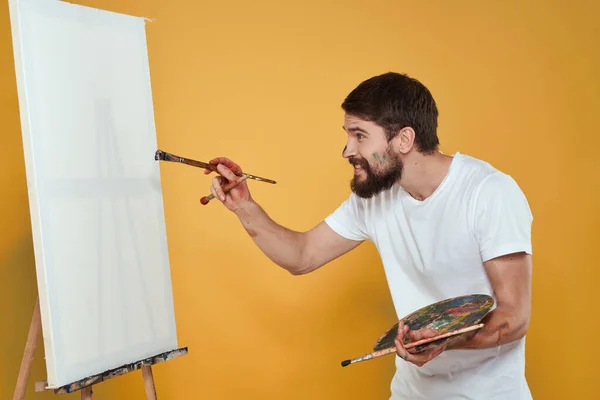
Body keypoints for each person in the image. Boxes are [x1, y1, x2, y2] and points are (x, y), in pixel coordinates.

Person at [204, 72, 533, 399]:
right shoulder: (375, 197)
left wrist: (446, 340)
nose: (347, 150)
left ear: (404, 139)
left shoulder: (488, 192)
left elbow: (514, 317)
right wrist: (244, 207)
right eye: (348, 135)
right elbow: (301, 256)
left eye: (360, 136)